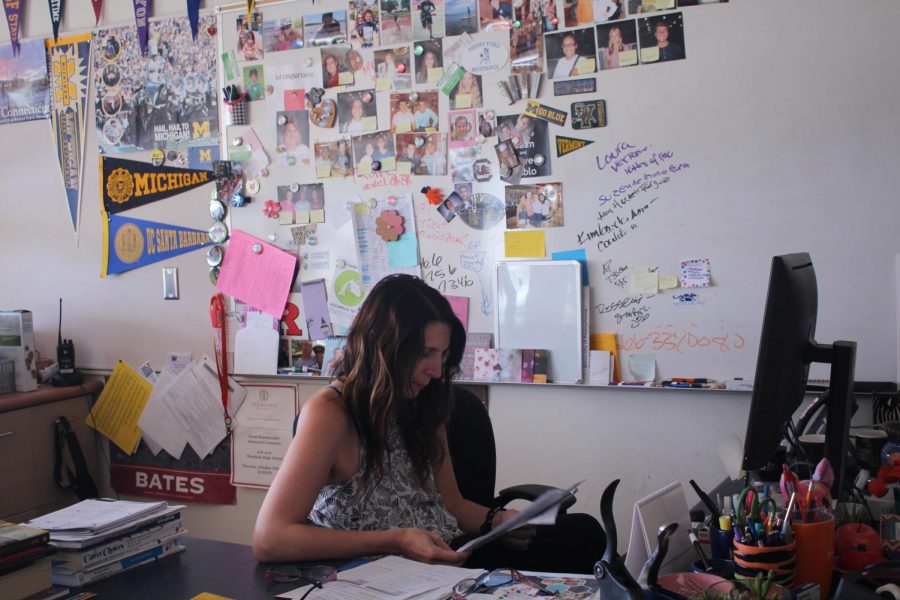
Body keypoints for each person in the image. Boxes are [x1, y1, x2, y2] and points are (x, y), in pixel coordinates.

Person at [253, 275, 604, 572]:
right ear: (383, 346)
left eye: (442, 355)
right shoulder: (331, 413)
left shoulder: (422, 401)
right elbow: (270, 538)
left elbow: (452, 505)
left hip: (447, 556)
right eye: (424, 353)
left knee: (584, 533)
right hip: (378, 570)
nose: (436, 371)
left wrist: (497, 521)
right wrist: (398, 541)